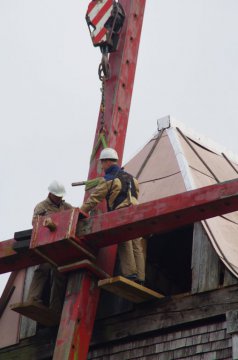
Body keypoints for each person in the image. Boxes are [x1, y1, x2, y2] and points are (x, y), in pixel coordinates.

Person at [80, 148, 146, 285]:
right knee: (136, 244)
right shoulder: (132, 178)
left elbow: (94, 199)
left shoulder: (109, 179)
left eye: (102, 163)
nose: (102, 167)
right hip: (135, 211)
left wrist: (80, 214)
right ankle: (141, 276)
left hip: (121, 213)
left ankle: (130, 274)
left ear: (108, 161)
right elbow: (136, 194)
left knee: (124, 240)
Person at [27, 180, 73, 318]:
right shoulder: (42, 207)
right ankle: (32, 299)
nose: (59, 198)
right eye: (57, 195)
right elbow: (35, 224)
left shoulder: (66, 206)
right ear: (50, 194)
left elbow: (76, 216)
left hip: (59, 246)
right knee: (43, 269)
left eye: (60, 196)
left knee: (59, 274)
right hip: (46, 245)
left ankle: (55, 309)